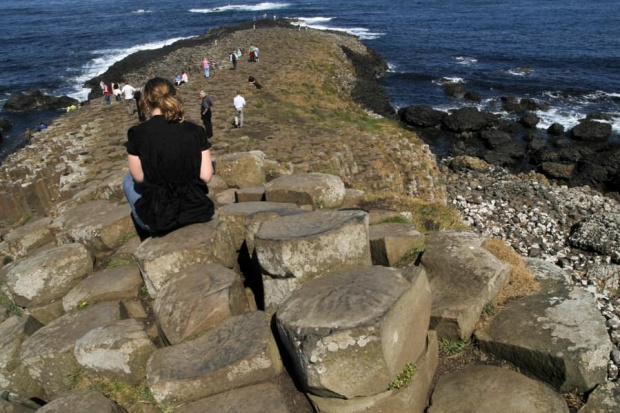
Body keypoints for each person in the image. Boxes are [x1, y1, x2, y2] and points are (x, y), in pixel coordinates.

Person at [123, 77, 214, 237]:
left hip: (160, 219)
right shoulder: (196, 131)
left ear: (145, 103)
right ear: (173, 96)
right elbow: (206, 176)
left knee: (128, 180)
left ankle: (147, 233)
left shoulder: (137, 133)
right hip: (198, 210)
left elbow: (139, 178)